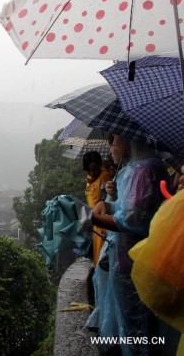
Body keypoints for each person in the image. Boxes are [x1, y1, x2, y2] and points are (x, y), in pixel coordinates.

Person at [91, 134, 168, 356]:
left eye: (114, 144)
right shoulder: (140, 168)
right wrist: (109, 204)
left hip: (133, 261)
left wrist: (89, 217)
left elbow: (133, 220)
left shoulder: (142, 170)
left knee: (138, 331)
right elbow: (129, 209)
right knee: (134, 327)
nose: (112, 150)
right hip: (130, 259)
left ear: (127, 141)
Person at [83, 151, 111, 267]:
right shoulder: (88, 179)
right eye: (89, 170)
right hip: (93, 222)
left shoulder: (104, 176)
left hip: (103, 222)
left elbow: (108, 199)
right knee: (96, 257)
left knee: (101, 256)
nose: (92, 173)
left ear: (100, 165)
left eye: (95, 169)